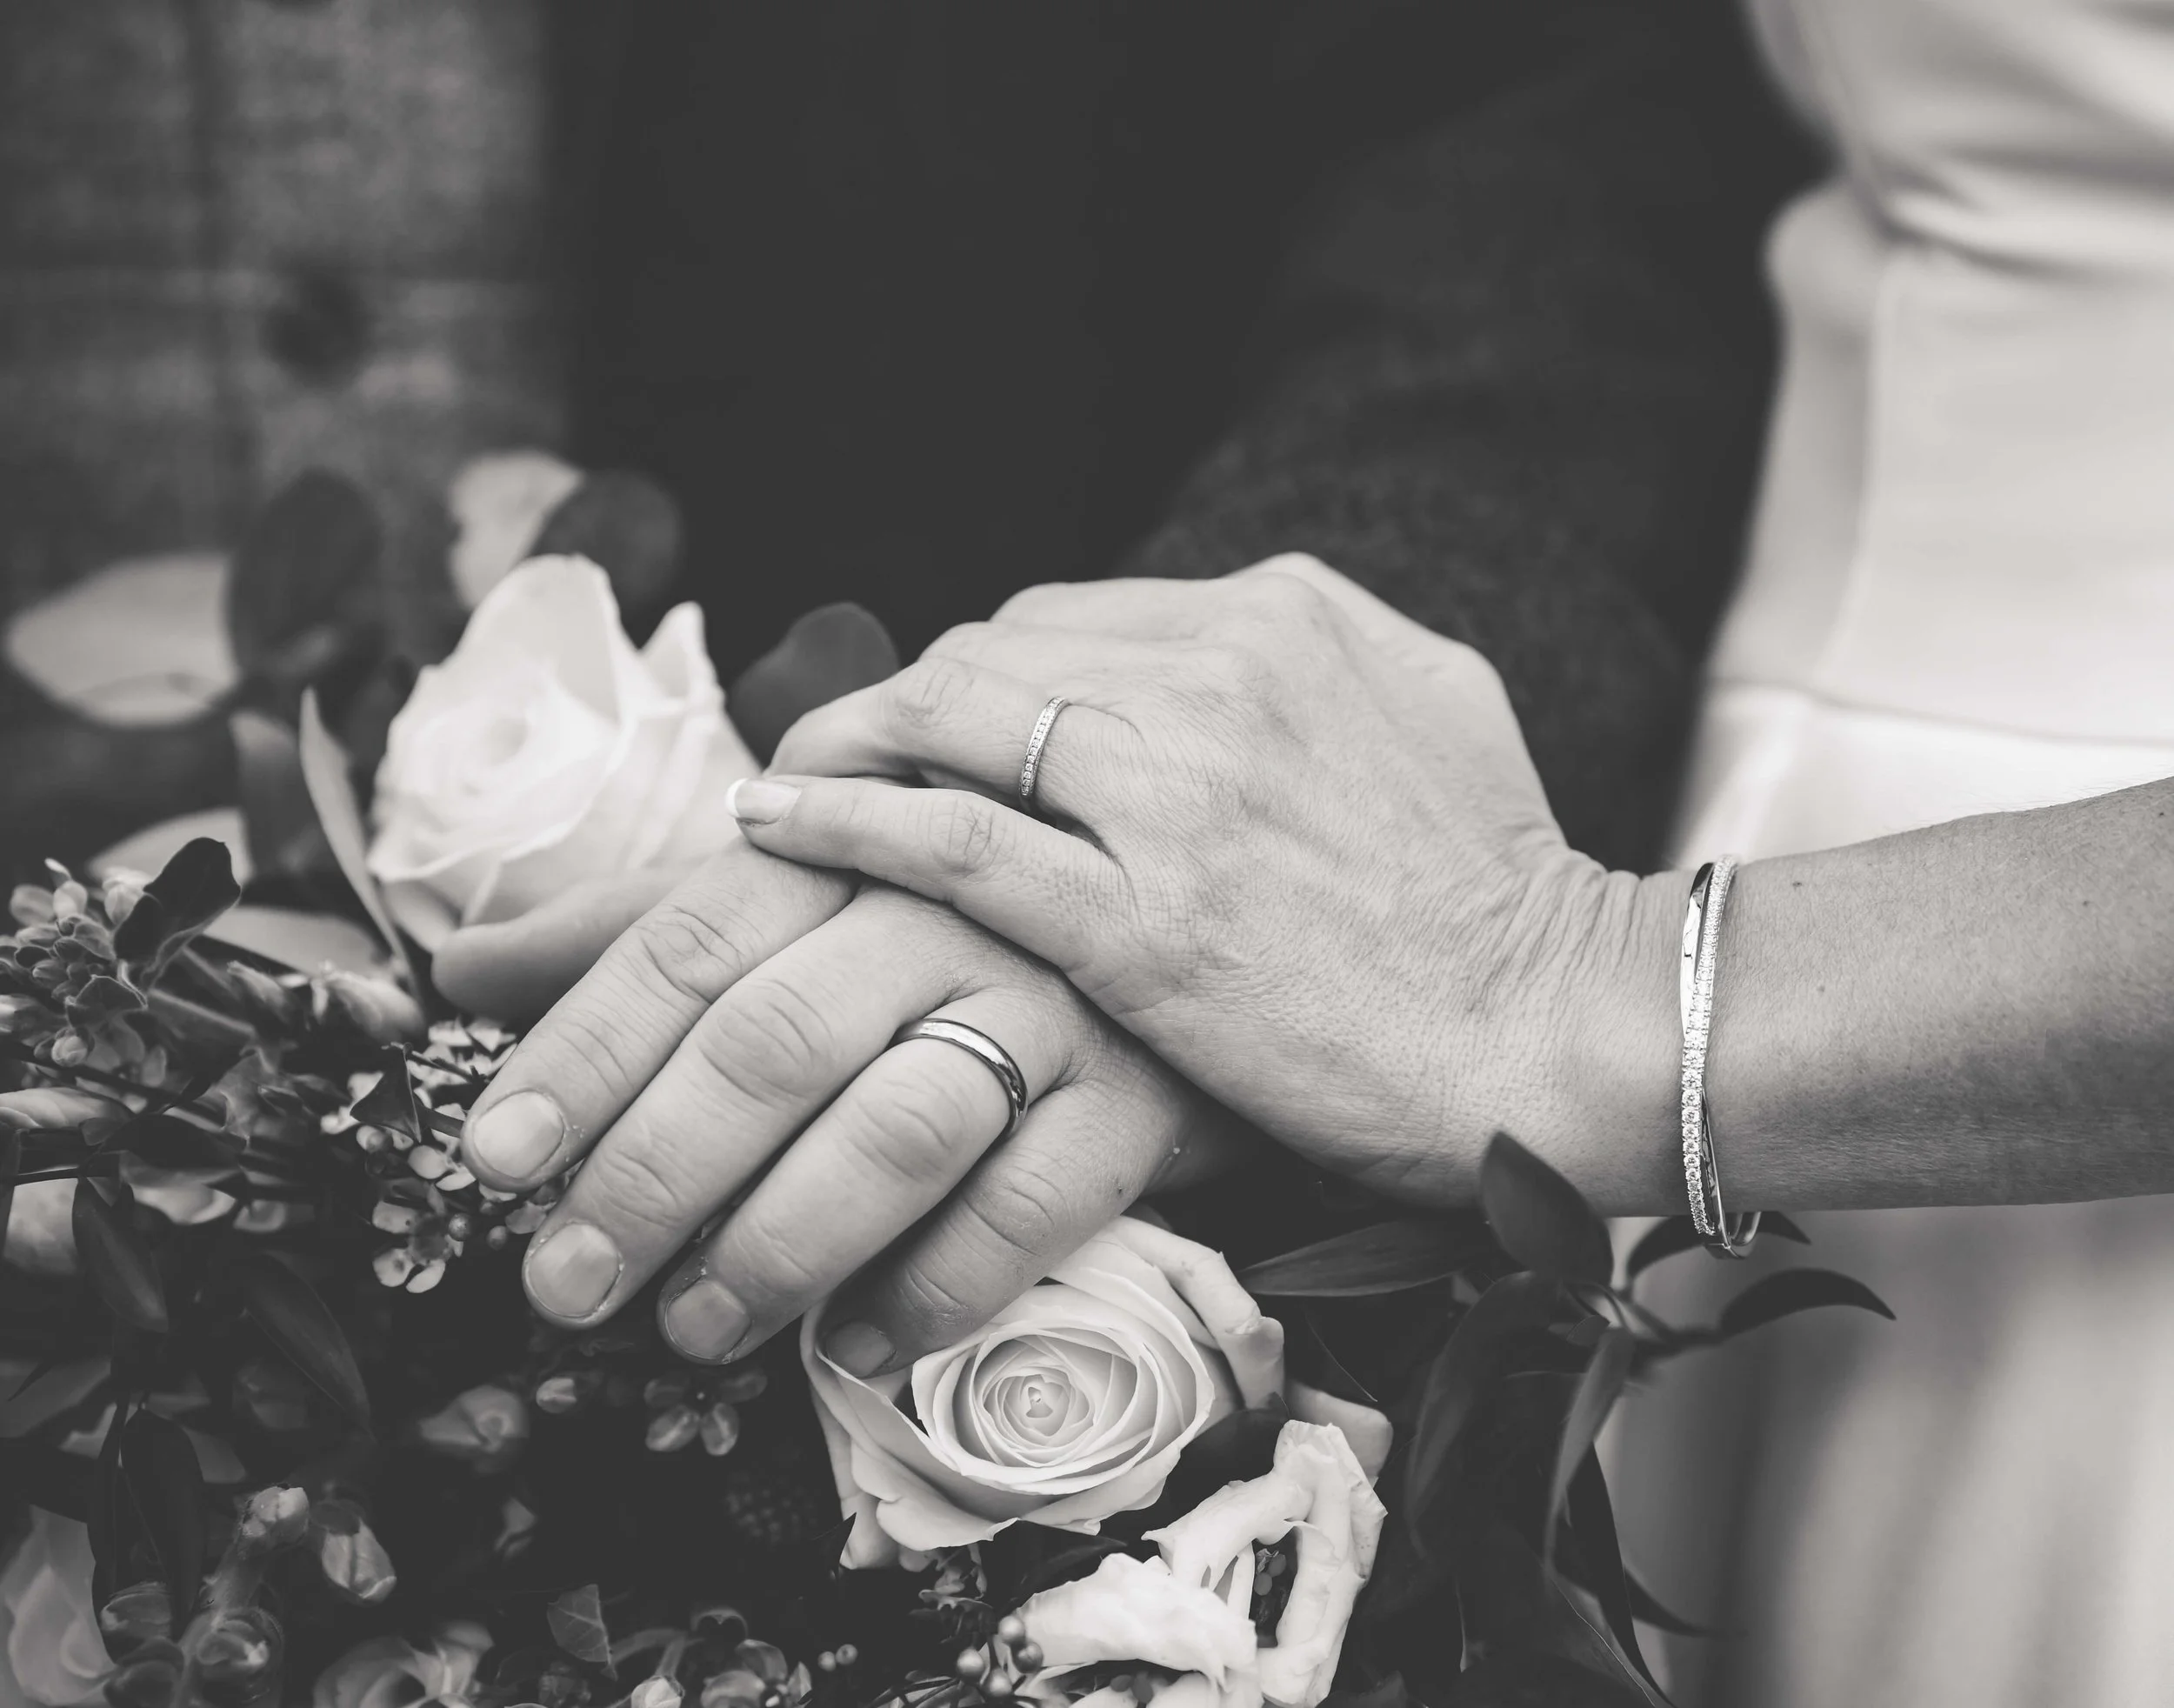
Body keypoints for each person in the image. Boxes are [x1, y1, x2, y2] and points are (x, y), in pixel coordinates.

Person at [448, 0, 2174, 1701]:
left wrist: (1577, 978)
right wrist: (1191, 824)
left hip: (1972, 1044)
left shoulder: (1584, 982)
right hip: (1755, 866)